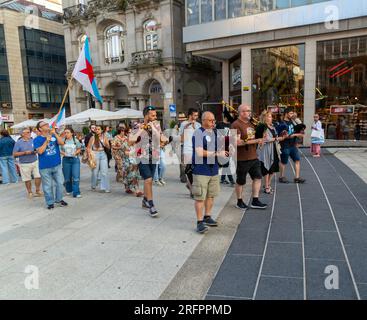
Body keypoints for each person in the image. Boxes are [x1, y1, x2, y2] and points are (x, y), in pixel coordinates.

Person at [192, 111, 228, 234]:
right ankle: (199, 222)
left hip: (214, 169)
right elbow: (199, 152)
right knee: (200, 197)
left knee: (211, 195)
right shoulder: (198, 133)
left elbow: (220, 148)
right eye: (210, 120)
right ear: (203, 121)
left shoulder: (216, 133)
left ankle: (207, 216)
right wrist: (218, 153)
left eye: (214, 120)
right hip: (201, 169)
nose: (213, 122)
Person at [129, 106, 169, 217]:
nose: (155, 117)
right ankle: (151, 205)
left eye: (155, 115)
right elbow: (131, 140)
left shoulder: (156, 125)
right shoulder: (136, 125)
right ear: (146, 115)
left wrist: (154, 129)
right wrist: (142, 129)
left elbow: (162, 138)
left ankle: (145, 200)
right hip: (141, 156)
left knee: (149, 181)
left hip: (154, 156)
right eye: (153, 115)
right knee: (148, 179)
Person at [231, 105, 267, 210]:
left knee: (258, 177)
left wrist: (260, 140)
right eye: (247, 111)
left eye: (250, 111)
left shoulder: (252, 123)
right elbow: (236, 142)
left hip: (253, 156)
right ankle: (239, 201)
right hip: (241, 158)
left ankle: (255, 200)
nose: (249, 112)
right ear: (241, 112)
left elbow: (254, 137)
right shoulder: (235, 125)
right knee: (241, 181)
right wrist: (256, 141)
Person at [33, 121, 67, 210]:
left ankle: (59, 200)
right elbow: (40, 151)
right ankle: (50, 202)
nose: (47, 125)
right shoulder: (37, 139)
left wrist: (54, 133)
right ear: (40, 129)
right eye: (44, 125)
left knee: (60, 183)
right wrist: (46, 141)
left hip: (56, 164)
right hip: (45, 167)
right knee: (48, 186)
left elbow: (62, 143)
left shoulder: (53, 136)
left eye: (47, 123)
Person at [256, 111, 282, 195]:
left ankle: (267, 184)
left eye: (271, 116)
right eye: (269, 116)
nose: (271, 118)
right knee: (267, 168)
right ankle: (267, 186)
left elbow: (275, 137)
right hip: (266, 150)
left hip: (274, 148)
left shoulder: (272, 127)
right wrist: (276, 139)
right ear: (265, 118)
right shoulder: (263, 127)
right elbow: (266, 139)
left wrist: (279, 137)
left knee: (274, 168)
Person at [277, 107, 306, 184]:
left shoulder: (292, 121)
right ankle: (281, 177)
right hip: (285, 145)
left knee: (297, 160)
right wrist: (297, 134)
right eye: (290, 113)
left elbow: (296, 129)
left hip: (293, 145)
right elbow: (285, 136)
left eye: (292, 113)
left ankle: (297, 177)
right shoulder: (282, 123)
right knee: (284, 162)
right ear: (286, 114)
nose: (292, 114)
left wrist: (300, 132)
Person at [13, 128, 42, 198]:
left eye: (30, 132)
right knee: (27, 179)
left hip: (35, 161)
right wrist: (25, 153)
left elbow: (37, 149)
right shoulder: (18, 142)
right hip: (24, 163)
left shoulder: (33, 140)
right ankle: (30, 192)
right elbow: (14, 154)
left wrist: (36, 151)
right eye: (28, 132)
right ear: (22, 134)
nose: (30, 133)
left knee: (38, 176)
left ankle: (37, 190)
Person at [179, 108, 201, 196]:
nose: (196, 117)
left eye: (197, 115)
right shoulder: (183, 124)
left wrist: (196, 128)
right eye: (194, 115)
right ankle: (192, 190)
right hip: (187, 149)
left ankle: (189, 185)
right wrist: (185, 128)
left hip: (196, 150)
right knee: (189, 170)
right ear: (190, 115)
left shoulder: (198, 125)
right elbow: (182, 139)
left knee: (196, 170)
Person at [120, 127, 143, 197]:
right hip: (127, 162)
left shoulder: (135, 143)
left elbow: (139, 154)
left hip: (134, 162)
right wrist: (135, 151)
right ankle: (132, 189)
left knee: (134, 176)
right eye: (130, 133)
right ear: (127, 134)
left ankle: (136, 190)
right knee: (130, 176)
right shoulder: (124, 144)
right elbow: (127, 153)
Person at [87, 125, 111, 193]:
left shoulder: (104, 137)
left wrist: (107, 143)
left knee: (104, 172)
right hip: (95, 154)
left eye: (98, 129)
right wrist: (90, 156)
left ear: (101, 130)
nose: (97, 130)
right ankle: (93, 185)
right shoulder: (93, 137)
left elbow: (108, 147)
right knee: (95, 172)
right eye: (96, 129)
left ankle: (105, 187)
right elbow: (88, 148)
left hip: (103, 154)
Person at [60, 128, 82, 198]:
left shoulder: (75, 140)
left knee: (76, 177)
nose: (66, 134)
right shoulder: (63, 141)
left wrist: (75, 153)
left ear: (72, 133)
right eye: (65, 132)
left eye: (68, 132)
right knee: (67, 178)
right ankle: (69, 189)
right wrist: (64, 153)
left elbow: (79, 149)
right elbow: (59, 149)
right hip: (66, 160)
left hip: (75, 160)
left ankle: (76, 192)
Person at [216, 114, 235, 186]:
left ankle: (222, 179)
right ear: (226, 117)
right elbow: (217, 135)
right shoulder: (219, 125)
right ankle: (231, 181)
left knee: (225, 164)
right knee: (226, 164)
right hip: (221, 146)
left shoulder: (230, 125)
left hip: (228, 145)